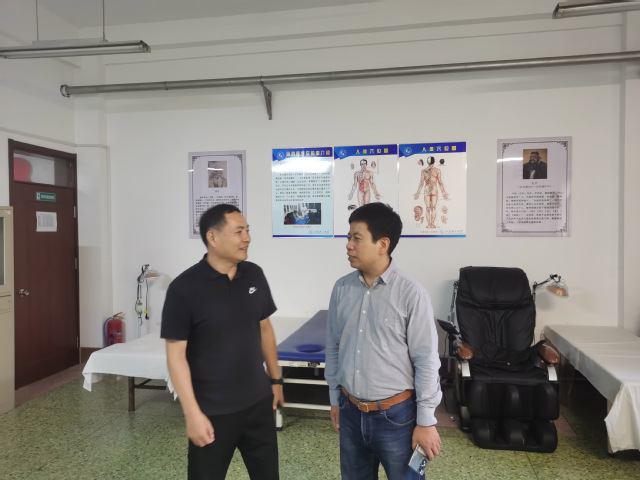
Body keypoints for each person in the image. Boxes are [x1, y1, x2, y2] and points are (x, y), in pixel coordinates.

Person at [161, 203, 283, 480]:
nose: (247, 238)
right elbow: (175, 355)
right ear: (212, 237)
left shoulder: (253, 274)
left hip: (258, 404)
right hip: (212, 411)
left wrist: (275, 381)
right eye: (239, 231)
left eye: (247, 230)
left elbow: (265, 328)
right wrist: (192, 414)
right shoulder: (184, 288)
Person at [325, 203, 442, 480]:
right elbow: (334, 346)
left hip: (398, 418)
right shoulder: (342, 288)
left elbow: (426, 361)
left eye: (357, 238)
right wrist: (334, 399)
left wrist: (426, 422)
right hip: (350, 411)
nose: (348, 245)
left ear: (383, 244)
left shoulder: (411, 293)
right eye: (348, 237)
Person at [413, 156, 449, 229]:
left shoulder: (423, 171)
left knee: (427, 208)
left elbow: (421, 183)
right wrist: (443, 192)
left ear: (427, 162)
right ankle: (432, 224)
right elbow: (440, 182)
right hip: (434, 190)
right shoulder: (437, 170)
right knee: (433, 208)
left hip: (427, 190)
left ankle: (429, 224)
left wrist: (418, 192)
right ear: (434, 162)